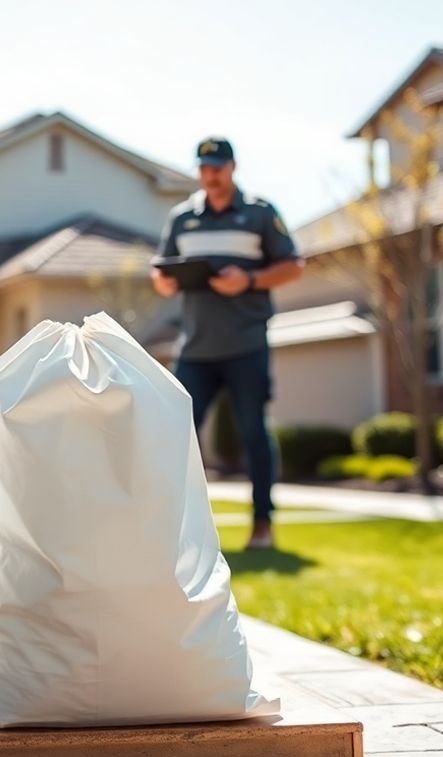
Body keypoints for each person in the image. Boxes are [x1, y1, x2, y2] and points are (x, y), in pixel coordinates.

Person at [151, 137, 304, 550]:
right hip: (195, 349)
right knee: (175, 435)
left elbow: (292, 266)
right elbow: (161, 273)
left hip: (246, 344)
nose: (210, 174)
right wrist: (165, 280)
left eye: (217, 166)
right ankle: (174, 530)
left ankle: (262, 524)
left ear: (232, 167)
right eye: (203, 167)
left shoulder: (259, 213)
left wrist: (249, 281)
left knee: (253, 432)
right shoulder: (182, 218)